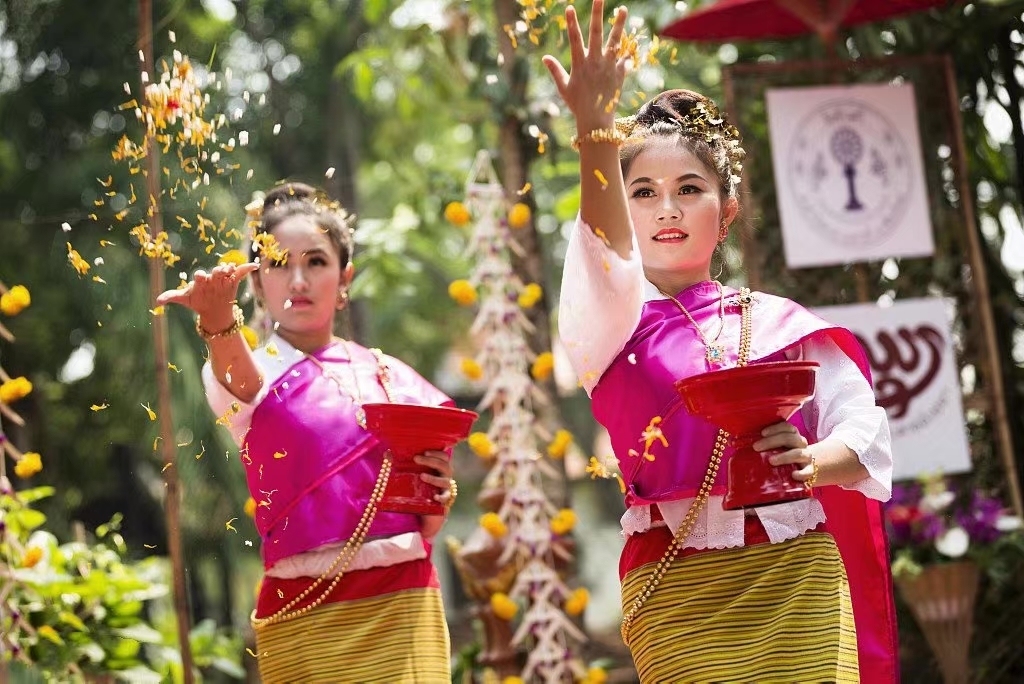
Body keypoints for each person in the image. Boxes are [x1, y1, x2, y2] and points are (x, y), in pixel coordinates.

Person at [543, 3, 899, 682]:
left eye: (689, 188)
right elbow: (601, 249)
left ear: (726, 210)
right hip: (675, 587)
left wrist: (809, 462)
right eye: (642, 192)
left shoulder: (779, 324)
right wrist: (594, 130)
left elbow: (864, 431)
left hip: (798, 576)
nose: (667, 208)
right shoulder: (607, 323)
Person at [158, 182, 456, 683]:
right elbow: (242, 382)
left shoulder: (388, 375)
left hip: (403, 598)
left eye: (316, 261)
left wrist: (440, 493)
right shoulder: (250, 371)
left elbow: (424, 504)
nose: (298, 280)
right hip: (304, 610)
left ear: (345, 279)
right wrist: (217, 321)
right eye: (278, 263)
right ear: (257, 283)